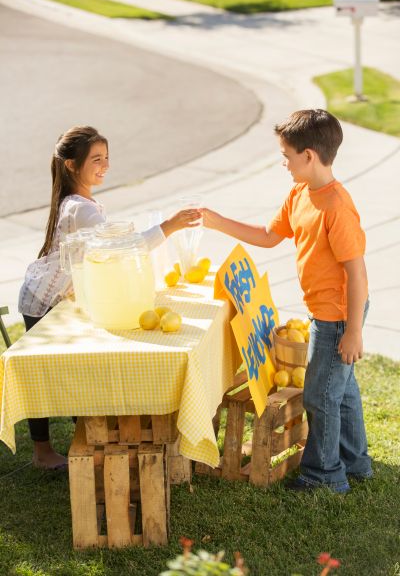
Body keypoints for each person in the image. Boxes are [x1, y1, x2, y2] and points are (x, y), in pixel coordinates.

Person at [203, 109, 372, 493]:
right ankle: (355, 462)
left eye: (287, 155)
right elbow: (267, 235)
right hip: (326, 313)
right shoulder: (300, 194)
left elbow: (356, 273)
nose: (283, 163)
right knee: (341, 390)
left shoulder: (336, 208)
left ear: (309, 156)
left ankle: (324, 476)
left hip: (339, 317)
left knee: (320, 396)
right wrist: (216, 221)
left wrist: (354, 330)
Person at [18, 125, 201, 470]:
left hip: (51, 293)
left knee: (60, 370)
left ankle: (83, 441)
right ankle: (44, 453)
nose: (104, 166)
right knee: (41, 374)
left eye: (107, 158)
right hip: (41, 299)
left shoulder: (80, 201)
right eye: (96, 159)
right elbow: (120, 248)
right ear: (72, 165)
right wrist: (171, 225)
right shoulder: (82, 208)